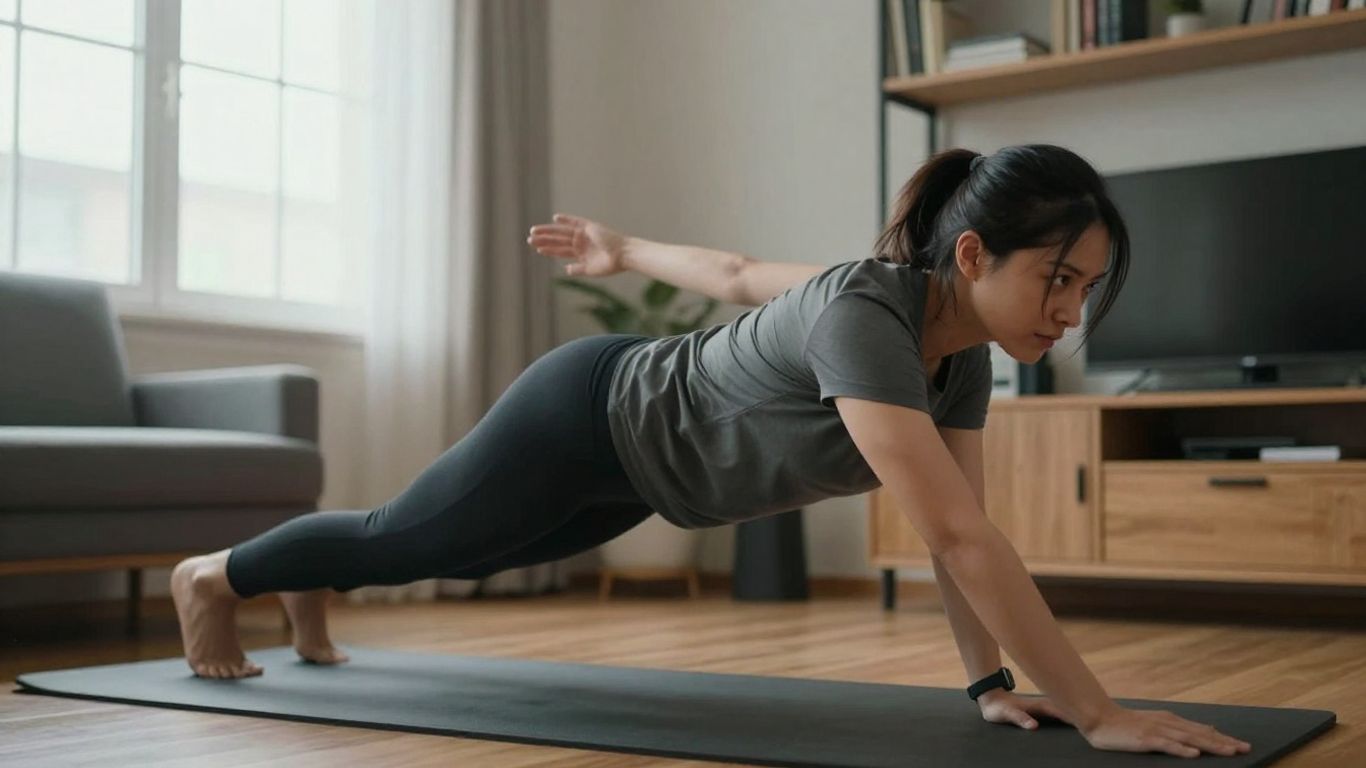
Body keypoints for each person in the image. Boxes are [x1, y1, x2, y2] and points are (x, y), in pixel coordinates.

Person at [171, 144, 1250, 759]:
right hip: (584, 418)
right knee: (410, 541)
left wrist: (990, 687)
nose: (1070, 310)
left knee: (451, 550)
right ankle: (214, 577)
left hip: (647, 479)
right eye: (1056, 279)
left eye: (1084, 288)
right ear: (972, 255)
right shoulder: (863, 315)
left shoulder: (958, 357)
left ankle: (310, 580)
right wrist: (1097, 712)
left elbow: (954, 533)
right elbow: (964, 539)